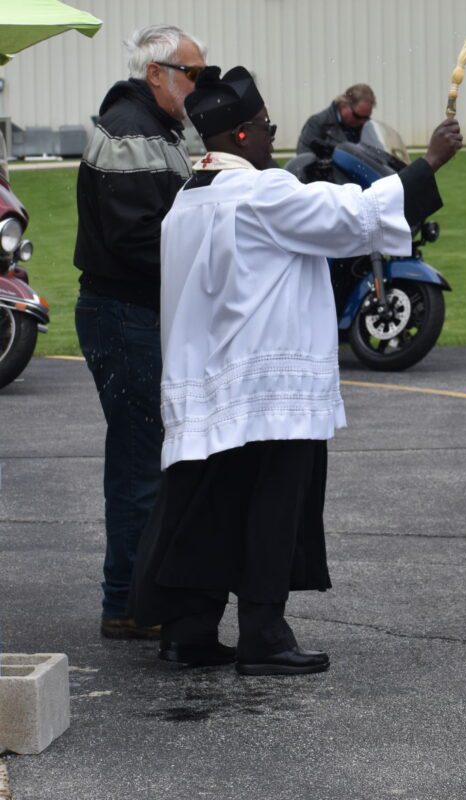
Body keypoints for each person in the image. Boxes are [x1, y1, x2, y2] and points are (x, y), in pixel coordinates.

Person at [130, 66, 461, 675]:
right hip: (269, 390)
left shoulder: (188, 199)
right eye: (264, 127)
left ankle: (188, 630)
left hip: (209, 384)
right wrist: (430, 163)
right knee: (271, 510)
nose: (272, 137)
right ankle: (264, 636)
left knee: (205, 507)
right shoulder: (261, 192)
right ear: (237, 136)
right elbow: (353, 219)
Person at [74, 24, 207, 640]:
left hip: (135, 312)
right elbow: (134, 240)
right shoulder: (131, 131)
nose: (197, 85)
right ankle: (125, 602)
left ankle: (133, 594)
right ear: (157, 73)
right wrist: (209, 258)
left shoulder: (161, 127)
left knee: (145, 455)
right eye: (192, 74)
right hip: (125, 313)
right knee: (138, 461)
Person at [296, 83, 377, 155]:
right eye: (358, 116)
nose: (362, 122)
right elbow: (304, 158)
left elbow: (378, 153)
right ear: (343, 105)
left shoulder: (367, 127)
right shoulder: (317, 124)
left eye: (366, 117)